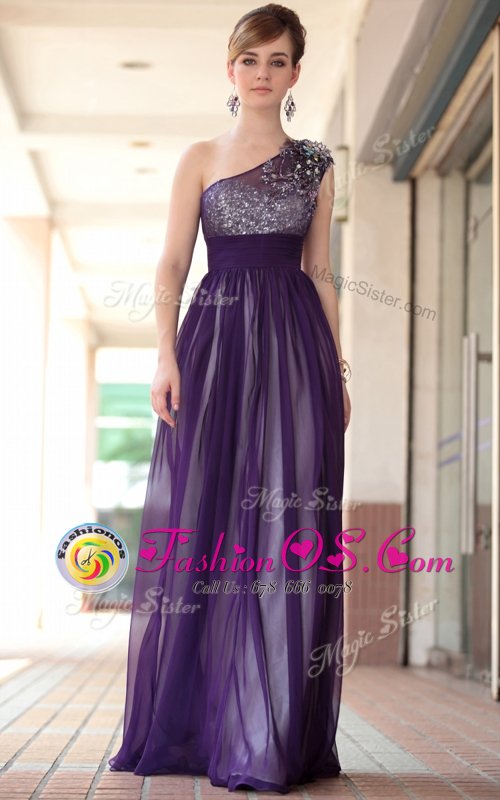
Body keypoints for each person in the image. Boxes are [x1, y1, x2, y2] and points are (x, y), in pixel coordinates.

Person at [108, 2, 351, 794]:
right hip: (214, 345)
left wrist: (337, 369)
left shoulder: (316, 164)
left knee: (288, 526)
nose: (262, 72)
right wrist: (164, 355)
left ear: (296, 73)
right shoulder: (200, 157)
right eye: (251, 59)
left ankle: (269, 734)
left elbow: (321, 272)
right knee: (208, 518)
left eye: (278, 60)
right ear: (231, 68)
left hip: (296, 350)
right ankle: (202, 724)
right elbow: (172, 264)